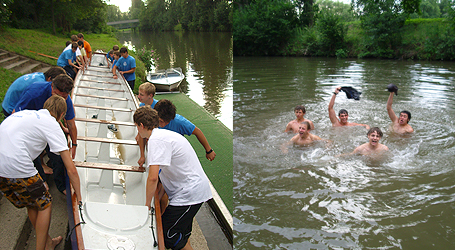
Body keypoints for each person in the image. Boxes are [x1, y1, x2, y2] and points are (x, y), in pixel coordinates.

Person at [0, 95, 82, 250]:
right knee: (45, 204)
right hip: (17, 166)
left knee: (32, 203)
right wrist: (79, 195)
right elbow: (70, 168)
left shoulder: (26, 114)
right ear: (62, 115)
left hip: (2, 168)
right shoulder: (51, 124)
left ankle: (48, 242)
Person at [133, 106, 212, 250]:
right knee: (179, 235)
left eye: (137, 127)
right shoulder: (162, 135)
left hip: (189, 194)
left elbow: (152, 178)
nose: (137, 131)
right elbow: (165, 174)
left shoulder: (156, 141)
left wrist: (146, 205)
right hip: (188, 191)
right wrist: (157, 196)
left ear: (142, 125)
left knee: (166, 234)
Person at [13, 74, 78, 193]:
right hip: (31, 129)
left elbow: (71, 124)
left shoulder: (66, 100)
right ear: (52, 86)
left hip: (50, 128)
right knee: (34, 157)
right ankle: (41, 184)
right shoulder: (34, 92)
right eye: (57, 95)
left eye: (64, 97)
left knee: (59, 158)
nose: (60, 99)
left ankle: (61, 186)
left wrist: (74, 145)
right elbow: (15, 114)